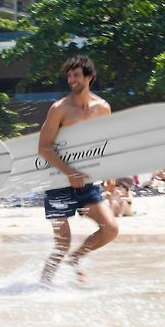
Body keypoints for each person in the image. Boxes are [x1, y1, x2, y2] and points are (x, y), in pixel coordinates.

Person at [38, 55, 118, 285]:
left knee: (110, 229)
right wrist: (68, 172)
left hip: (86, 181)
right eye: (69, 75)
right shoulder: (59, 109)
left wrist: (110, 171)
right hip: (56, 182)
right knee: (62, 243)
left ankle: (76, 259)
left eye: (76, 75)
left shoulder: (103, 109)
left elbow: (105, 143)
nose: (71, 79)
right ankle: (43, 287)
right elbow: (44, 147)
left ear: (89, 77)